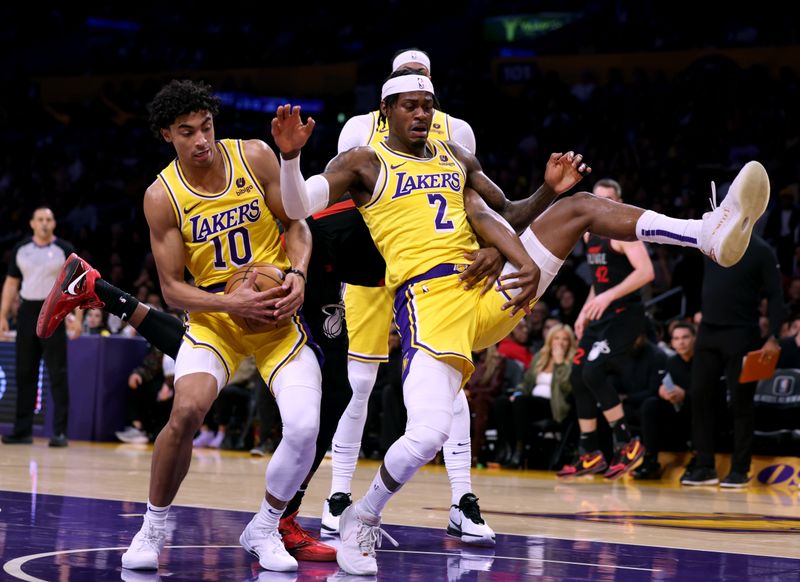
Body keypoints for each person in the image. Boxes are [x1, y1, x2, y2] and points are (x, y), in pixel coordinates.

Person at [270, 68, 769, 575]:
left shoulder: (454, 156)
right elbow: (294, 206)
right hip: (429, 302)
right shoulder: (362, 161)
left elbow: (499, 213)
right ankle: (362, 513)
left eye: (428, 103)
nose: (421, 113)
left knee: (578, 207)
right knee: (426, 435)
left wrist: (542, 206)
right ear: (386, 111)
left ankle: (705, 232)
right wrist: (290, 157)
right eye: (409, 105)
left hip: (489, 289)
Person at [86, 80, 321, 574]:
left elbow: (297, 224)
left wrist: (298, 273)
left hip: (276, 312)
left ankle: (265, 524)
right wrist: (232, 304)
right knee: (187, 410)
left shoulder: (255, 156)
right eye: (187, 131)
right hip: (218, 319)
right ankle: (152, 526)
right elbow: (172, 290)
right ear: (167, 134)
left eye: (207, 127)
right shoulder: (162, 195)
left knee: (303, 427)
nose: (201, 140)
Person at [323, 48, 496, 545]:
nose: (415, 90)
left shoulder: (456, 132)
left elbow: (473, 206)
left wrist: (490, 251)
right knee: (359, 381)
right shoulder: (359, 129)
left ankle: (462, 499)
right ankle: (338, 496)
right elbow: (343, 206)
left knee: (449, 381)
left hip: (437, 274)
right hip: (375, 269)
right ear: (388, 91)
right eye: (405, 79)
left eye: (422, 81)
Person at [556, 178, 655, 480]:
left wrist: (608, 295)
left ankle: (628, 443)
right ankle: (590, 453)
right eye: (597, 200)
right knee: (577, 375)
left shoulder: (625, 232)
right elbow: (600, 281)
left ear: (619, 202)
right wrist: (587, 308)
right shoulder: (589, 234)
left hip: (626, 315)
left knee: (593, 372)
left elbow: (647, 272)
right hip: (601, 315)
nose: (602, 205)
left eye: (608, 200)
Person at [681, 232, 784, 488]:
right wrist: (695, 308)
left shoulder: (762, 250)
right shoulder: (712, 240)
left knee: (740, 402)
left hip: (742, 333)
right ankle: (705, 466)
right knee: (700, 396)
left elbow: (775, 295)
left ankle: (740, 469)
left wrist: (773, 335)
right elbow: (691, 275)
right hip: (707, 331)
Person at [1, 206, 77, 448]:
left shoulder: (64, 249)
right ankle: (22, 430)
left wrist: (77, 318)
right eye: (40, 219)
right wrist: (2, 315)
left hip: (55, 311)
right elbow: (11, 284)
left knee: (58, 373)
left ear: (54, 223)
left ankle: (60, 432)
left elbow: (78, 284)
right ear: (32, 223)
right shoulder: (21, 249)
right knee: (24, 372)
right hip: (27, 313)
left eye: (49, 219)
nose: (45, 223)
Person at [496, 323, 577, 469]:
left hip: (554, 406)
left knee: (522, 402)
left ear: (570, 342)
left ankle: (519, 452)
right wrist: (518, 392)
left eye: (564, 339)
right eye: (556, 338)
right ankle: (507, 448)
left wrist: (559, 363)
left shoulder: (572, 360)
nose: (560, 342)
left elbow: (567, 387)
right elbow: (526, 381)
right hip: (531, 402)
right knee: (503, 402)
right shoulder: (541, 357)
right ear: (550, 340)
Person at [634, 321, 696, 480]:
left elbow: (712, 393)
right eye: (676, 338)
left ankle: (700, 459)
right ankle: (651, 459)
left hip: (697, 410)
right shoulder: (672, 362)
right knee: (650, 404)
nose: (681, 342)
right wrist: (662, 392)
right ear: (672, 342)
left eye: (685, 337)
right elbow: (661, 385)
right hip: (676, 411)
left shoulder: (704, 362)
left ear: (695, 338)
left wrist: (685, 394)